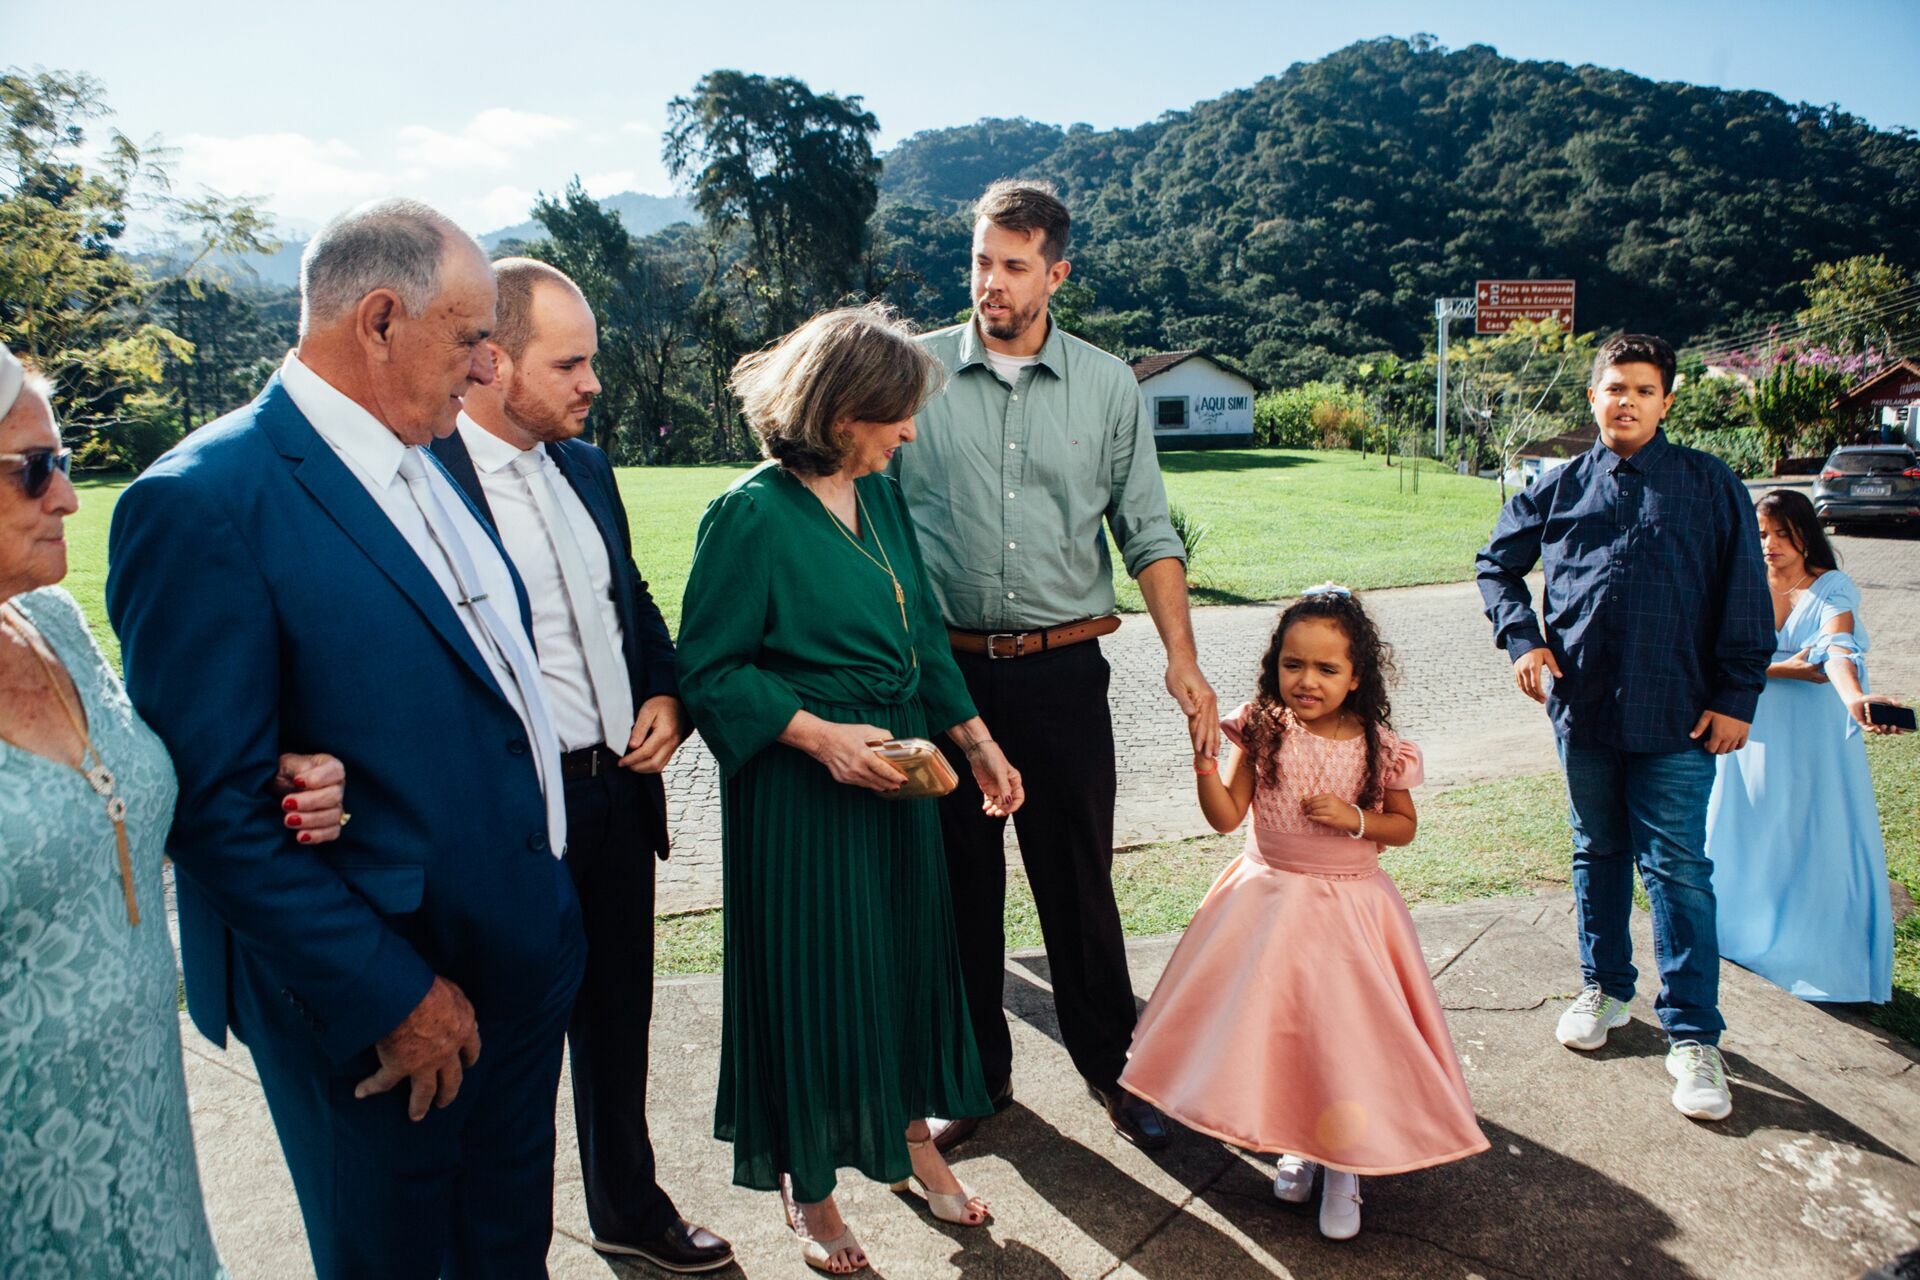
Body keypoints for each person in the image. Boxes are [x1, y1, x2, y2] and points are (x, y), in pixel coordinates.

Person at [106, 199, 586, 1279]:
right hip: (377, 1010)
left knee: (508, 1255)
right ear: (378, 320)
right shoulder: (202, 502)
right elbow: (220, 814)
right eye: (472, 340)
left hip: (513, 970)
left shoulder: (437, 452)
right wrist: (391, 993)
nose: (485, 371)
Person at [677, 304, 1024, 1276]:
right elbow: (707, 667)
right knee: (813, 981)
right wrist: (820, 737)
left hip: (899, 789)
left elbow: (921, 639)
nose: (910, 432)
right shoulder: (749, 513)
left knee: (906, 967)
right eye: (896, 414)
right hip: (802, 799)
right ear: (840, 410)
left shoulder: (885, 498)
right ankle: (813, 1183)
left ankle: (911, 1139)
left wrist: (978, 740)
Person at [0, 345, 348, 1278]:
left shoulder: (57, 628)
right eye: (34, 470)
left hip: (139, 1115)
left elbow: (142, 779)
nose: (68, 496)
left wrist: (284, 777)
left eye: (63, 462)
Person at [891, 179, 1217, 1153]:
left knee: (1076, 882)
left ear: (1057, 273)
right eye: (982, 261)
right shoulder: (913, 373)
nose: (991, 282)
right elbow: (875, 516)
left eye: (1014, 265)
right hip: (944, 678)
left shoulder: (1110, 384)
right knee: (959, 889)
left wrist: (1183, 659)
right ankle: (975, 1080)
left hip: (1066, 672)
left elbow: (1147, 529)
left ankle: (1117, 1070)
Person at [428, 258, 731, 1272]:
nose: (593, 382)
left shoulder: (587, 468)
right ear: (491, 360)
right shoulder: (426, 482)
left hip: (618, 797)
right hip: (514, 814)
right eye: (572, 363)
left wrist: (668, 691)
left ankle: (627, 1207)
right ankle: (507, 1250)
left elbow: (629, 601)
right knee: (507, 1051)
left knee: (617, 1027)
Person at [1121, 586, 1486, 1240]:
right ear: (1274, 665)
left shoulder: (1378, 745)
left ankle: (1343, 1167)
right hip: (1267, 907)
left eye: (1326, 668)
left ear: (1356, 677)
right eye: (1294, 664)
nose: (1307, 680)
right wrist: (1205, 760)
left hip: (1349, 914)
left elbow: (1402, 827)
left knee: (1343, 1038)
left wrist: (1356, 819)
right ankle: (1298, 1139)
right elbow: (1227, 816)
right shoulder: (1261, 728)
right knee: (1281, 1035)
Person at [1476, 332, 1773, 1123]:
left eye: (1644, 389)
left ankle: (1693, 1037)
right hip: (1584, 712)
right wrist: (1523, 638)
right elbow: (1495, 562)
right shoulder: (1561, 484)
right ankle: (1605, 990)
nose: (1628, 401)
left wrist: (1738, 694)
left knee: (1677, 868)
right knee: (1596, 850)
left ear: (1667, 401)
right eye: (1615, 388)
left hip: (1681, 716)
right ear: (1593, 397)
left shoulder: (1710, 485)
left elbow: (1747, 593)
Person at [1707, 489, 1902, 1003]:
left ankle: (1816, 958)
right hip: (1749, 726)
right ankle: (1737, 937)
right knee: (1746, 828)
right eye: (1762, 533)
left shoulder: (1831, 587)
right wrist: (1779, 668)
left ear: (1804, 533)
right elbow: (1711, 654)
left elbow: (1838, 648)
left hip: (1811, 736)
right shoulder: (1741, 582)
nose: (1769, 544)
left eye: (1780, 533)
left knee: (1810, 834)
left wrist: (1856, 696)